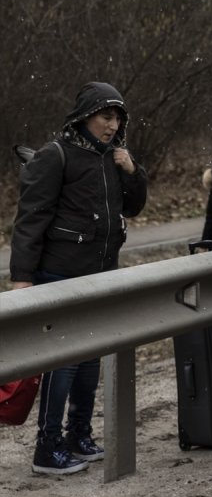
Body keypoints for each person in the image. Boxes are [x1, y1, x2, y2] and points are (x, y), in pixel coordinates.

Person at [9, 82, 148, 475]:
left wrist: (132, 170)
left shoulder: (114, 158)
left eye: (117, 117)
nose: (112, 124)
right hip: (58, 275)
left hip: (100, 275)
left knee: (89, 360)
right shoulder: (56, 156)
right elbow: (30, 219)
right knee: (63, 362)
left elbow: (135, 207)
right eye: (106, 116)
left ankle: (78, 436)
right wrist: (22, 278)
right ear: (85, 117)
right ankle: (46, 447)